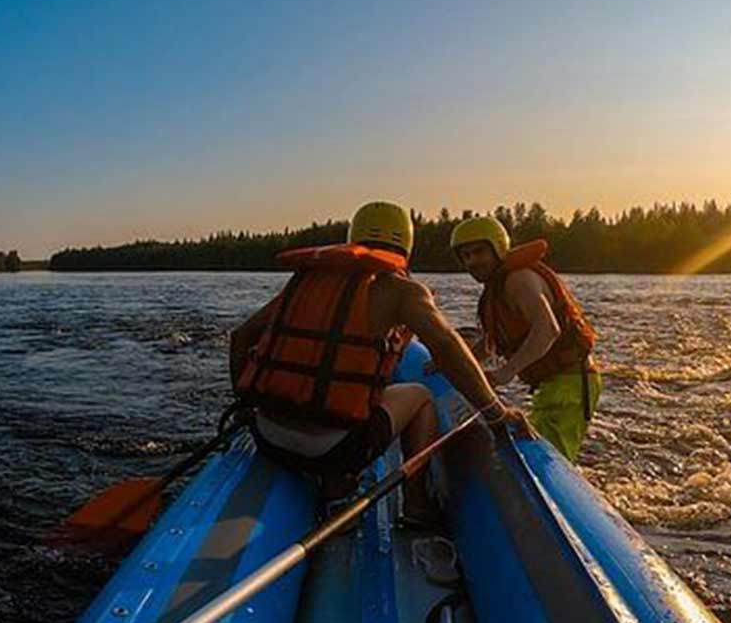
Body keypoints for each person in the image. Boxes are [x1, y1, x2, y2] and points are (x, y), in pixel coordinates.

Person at [230, 201, 528, 526]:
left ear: (352, 238)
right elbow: (447, 347)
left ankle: (335, 484)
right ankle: (416, 505)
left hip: (268, 434)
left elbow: (241, 338)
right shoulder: (402, 290)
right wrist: (496, 414)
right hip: (333, 449)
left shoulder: (307, 282)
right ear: (406, 247)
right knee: (420, 395)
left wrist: (245, 407)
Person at [449, 215, 601, 462]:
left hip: (570, 384)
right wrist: (457, 363)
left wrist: (505, 372)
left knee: (550, 460)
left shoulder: (519, 280)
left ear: (498, 248)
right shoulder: (497, 289)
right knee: (535, 447)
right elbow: (490, 345)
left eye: (479, 252)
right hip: (552, 385)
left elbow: (548, 330)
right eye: (466, 256)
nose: (472, 262)